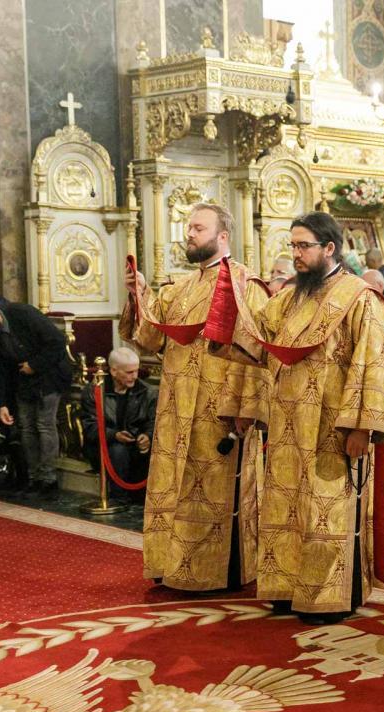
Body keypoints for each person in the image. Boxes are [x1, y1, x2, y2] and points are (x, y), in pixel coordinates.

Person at [223, 211, 384, 624]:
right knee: (286, 508)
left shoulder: (359, 297)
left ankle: (330, 595)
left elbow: (373, 363)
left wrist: (361, 428)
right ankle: (286, 586)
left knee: (326, 511)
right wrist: (234, 295)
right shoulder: (291, 296)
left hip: (332, 426)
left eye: (303, 246)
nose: (296, 254)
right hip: (286, 426)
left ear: (329, 248)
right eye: (293, 246)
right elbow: (257, 338)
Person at [121, 202, 266, 591]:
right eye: (188, 228)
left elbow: (254, 353)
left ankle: (221, 572)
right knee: (175, 487)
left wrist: (244, 410)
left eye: (198, 228)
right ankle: (171, 565)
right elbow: (150, 339)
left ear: (222, 236)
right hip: (175, 403)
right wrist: (140, 295)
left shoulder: (244, 285)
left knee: (216, 488)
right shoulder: (180, 287)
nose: (189, 234)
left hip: (218, 407)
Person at [0, 299, 73, 495]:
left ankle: (49, 479)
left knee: (44, 424)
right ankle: (33, 477)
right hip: (22, 377)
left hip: (49, 373)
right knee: (26, 427)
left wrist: (33, 365)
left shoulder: (23, 313)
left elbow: (57, 342)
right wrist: (1, 404)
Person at [79, 346, 156, 499]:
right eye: (129, 372)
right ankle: (118, 498)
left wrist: (147, 436)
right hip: (104, 446)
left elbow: (154, 422)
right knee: (118, 451)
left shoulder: (148, 392)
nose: (134, 376)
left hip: (136, 444)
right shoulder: (94, 391)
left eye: (136, 371)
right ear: (114, 371)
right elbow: (90, 427)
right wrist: (115, 435)